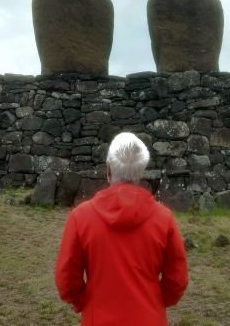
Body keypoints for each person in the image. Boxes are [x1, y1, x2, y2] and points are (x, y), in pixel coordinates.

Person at [55, 132, 188, 326]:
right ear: (140, 172)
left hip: (98, 318)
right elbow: (177, 280)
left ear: (108, 169)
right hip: (149, 318)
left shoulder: (80, 217)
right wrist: (155, 302)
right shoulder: (164, 219)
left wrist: (85, 302)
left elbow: (66, 280)